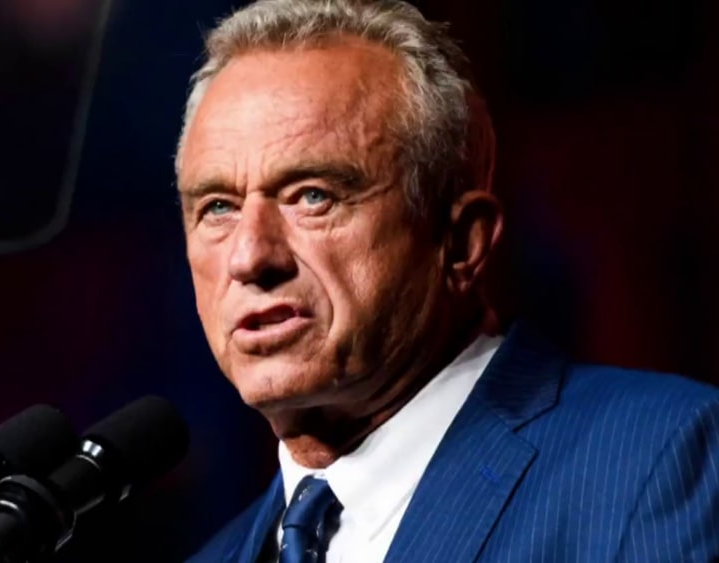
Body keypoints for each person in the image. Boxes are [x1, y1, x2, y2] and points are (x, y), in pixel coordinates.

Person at [173, 0, 719, 561]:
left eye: (313, 196)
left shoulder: (660, 460)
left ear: (461, 243)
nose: (249, 257)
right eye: (217, 207)